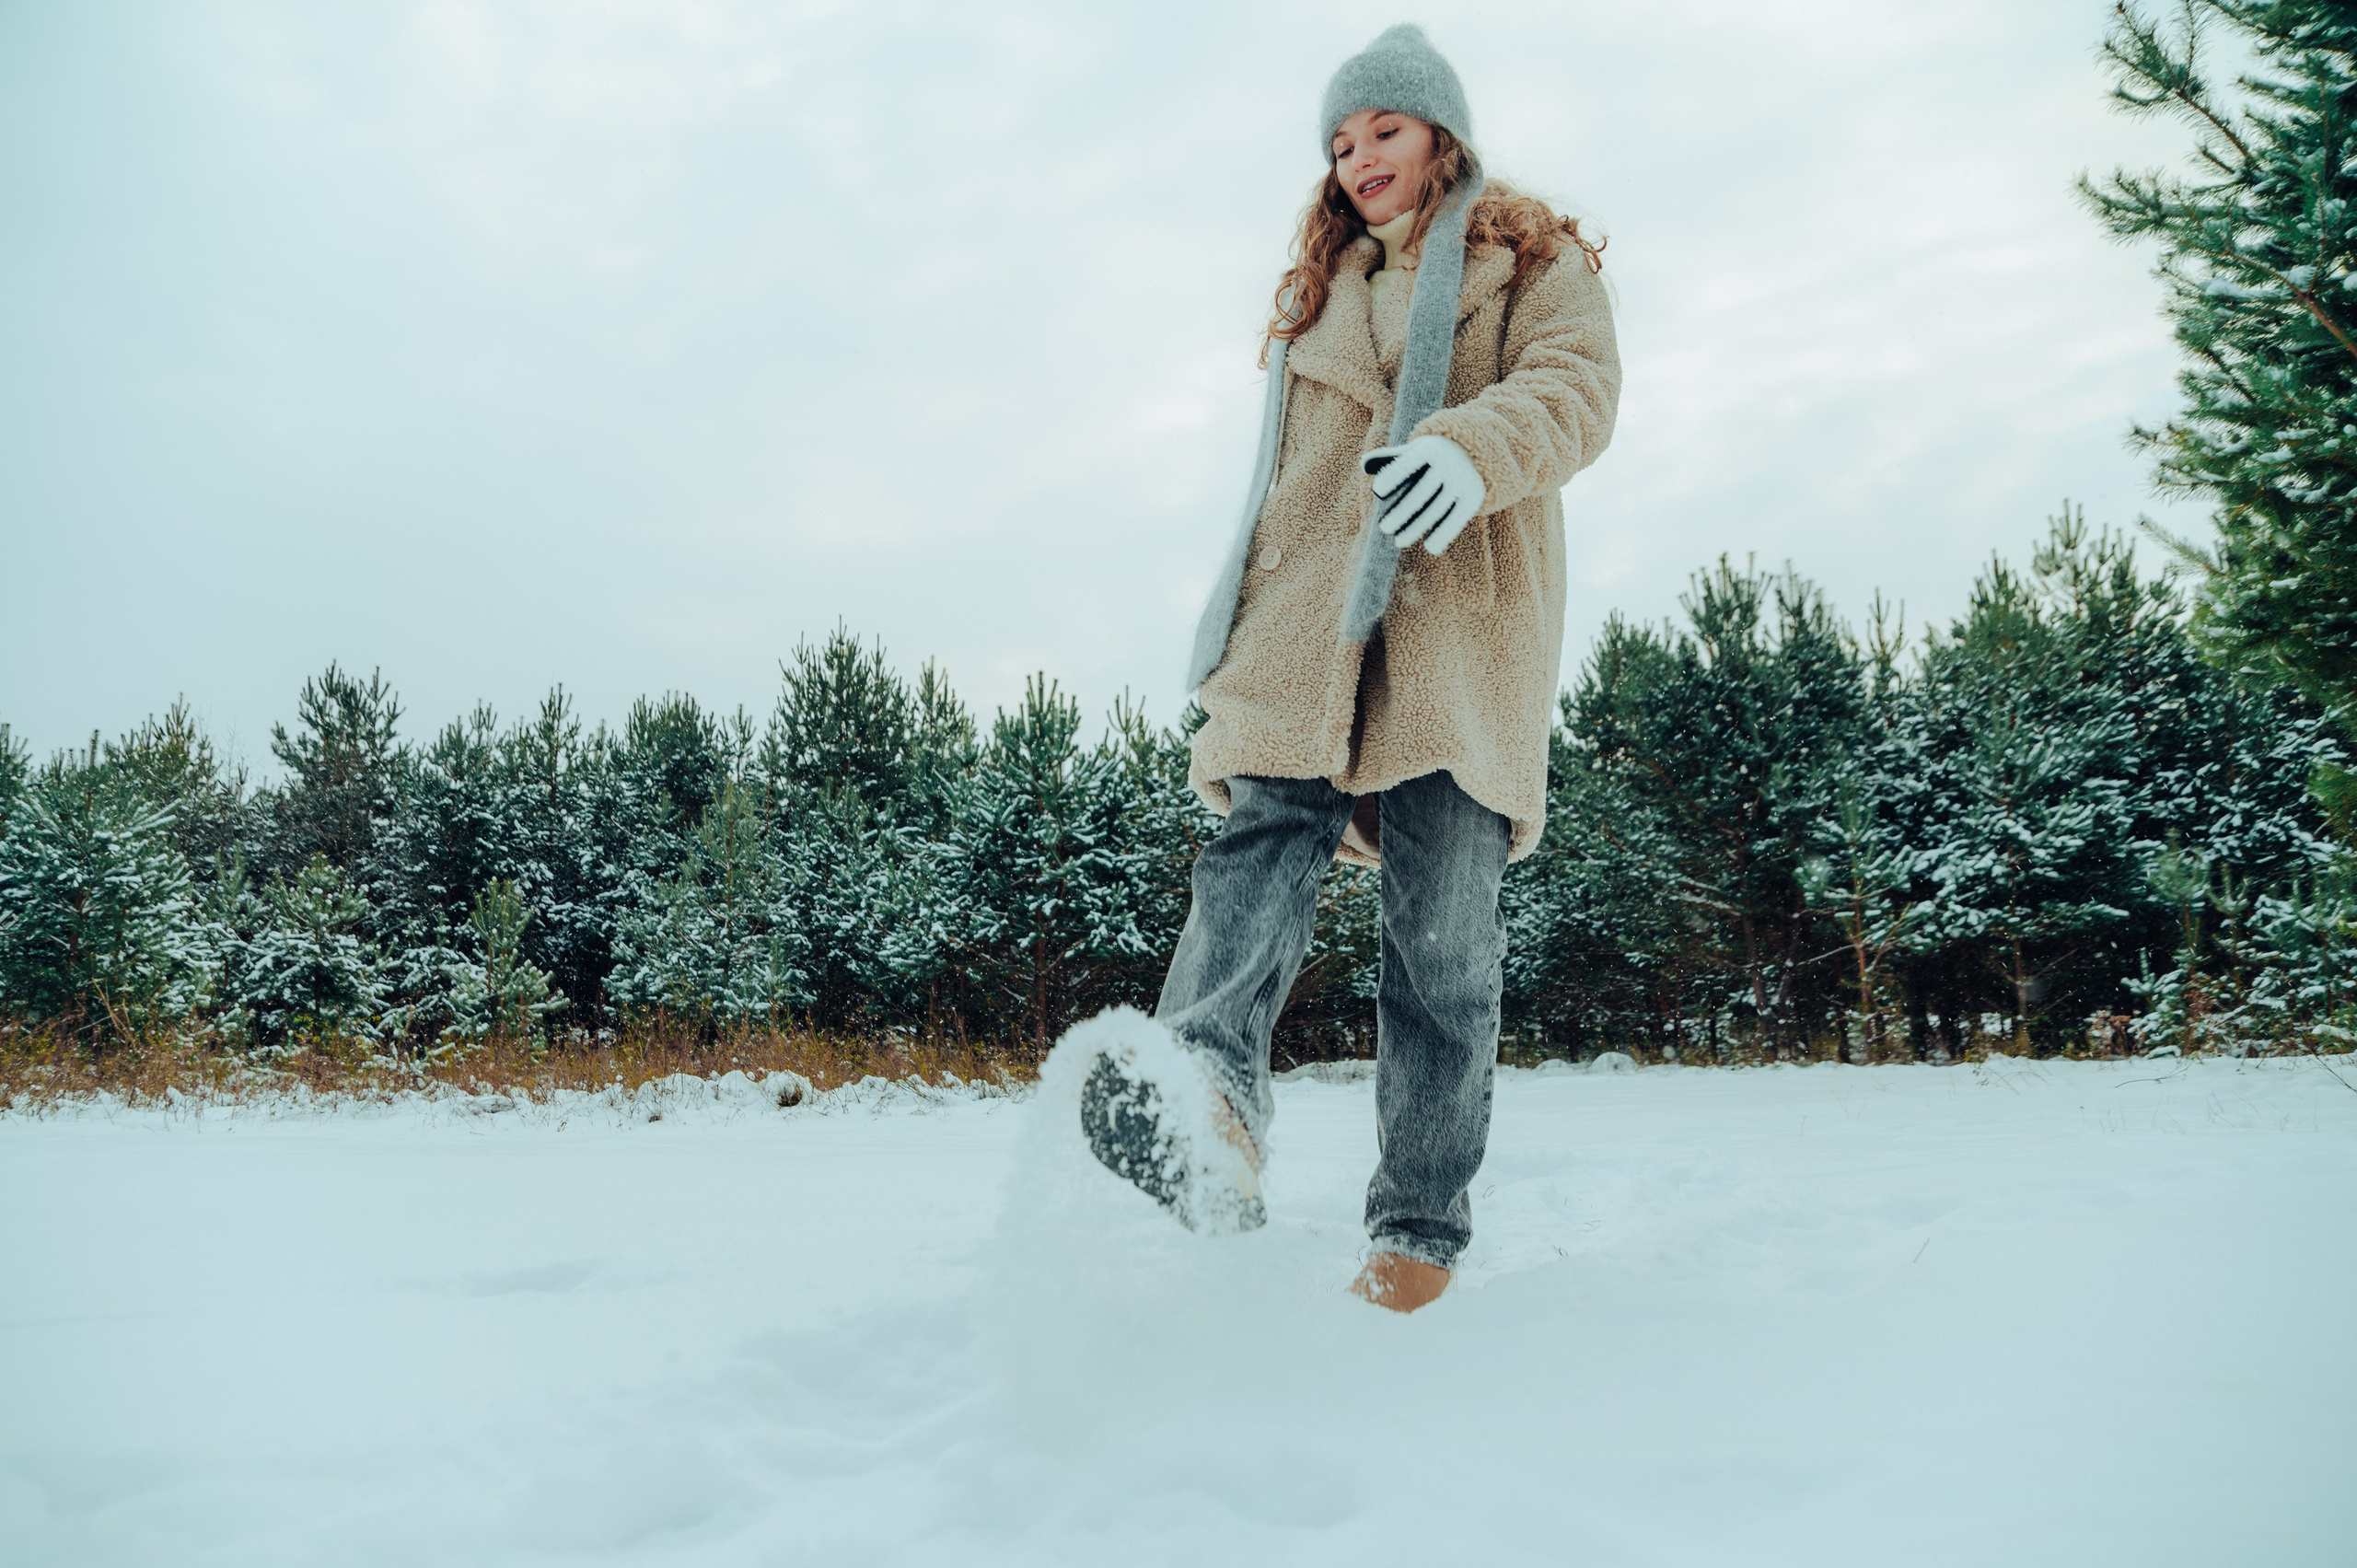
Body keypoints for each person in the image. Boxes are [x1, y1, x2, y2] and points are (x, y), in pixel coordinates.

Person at [1077, 23, 1621, 1313]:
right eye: (1339, 142)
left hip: (1455, 624)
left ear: (1442, 136)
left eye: (1383, 129)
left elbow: (1579, 388)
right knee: (1257, 842)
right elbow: (1281, 483)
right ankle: (1206, 1103)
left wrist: (1472, 450)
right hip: (1305, 626)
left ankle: (1415, 1238)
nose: (1359, 157)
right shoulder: (1318, 295)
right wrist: (1237, 623)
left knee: (1442, 944)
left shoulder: (1532, 260)